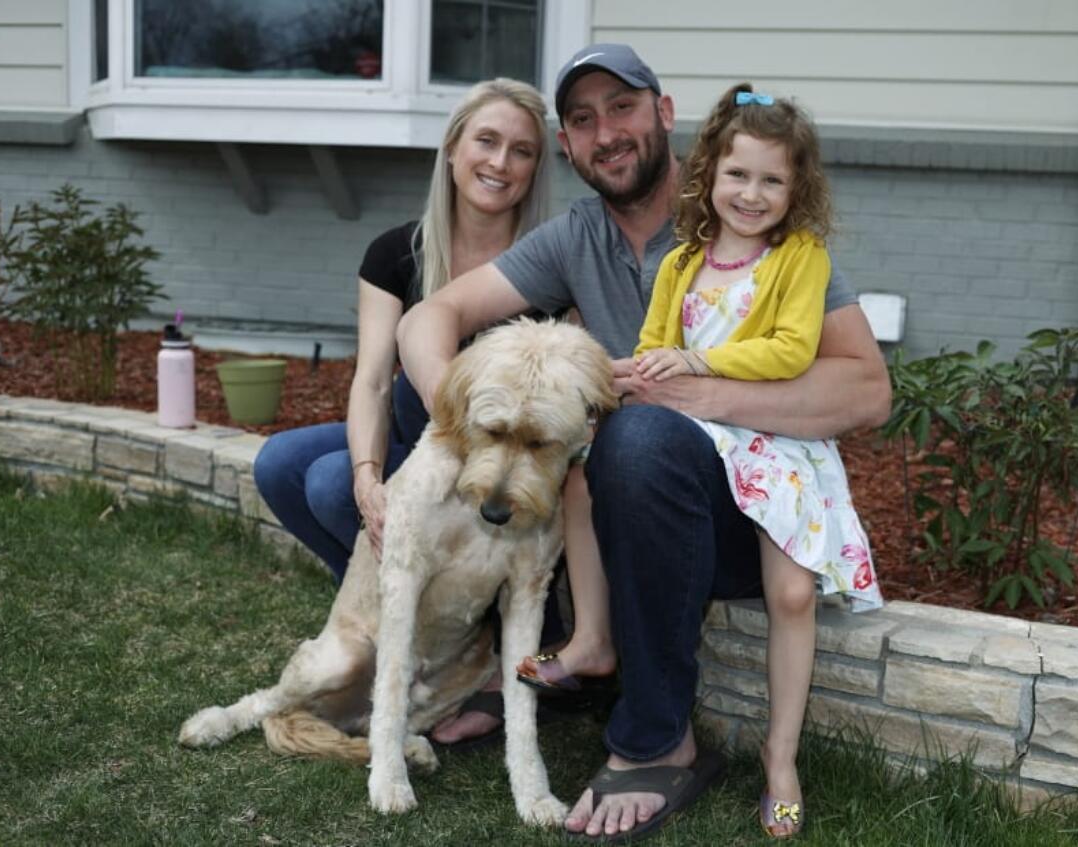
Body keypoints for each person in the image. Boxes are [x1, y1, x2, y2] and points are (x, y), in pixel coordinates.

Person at [398, 44, 891, 842]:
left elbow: (869, 390)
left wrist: (705, 389)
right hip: (636, 504)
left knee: (638, 439)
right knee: (457, 405)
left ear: (665, 116)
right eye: (583, 120)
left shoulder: (778, 245)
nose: (607, 133)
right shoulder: (583, 238)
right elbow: (428, 317)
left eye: (622, 108)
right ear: (568, 145)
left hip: (744, 507)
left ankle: (662, 739)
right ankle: (475, 659)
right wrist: (457, 420)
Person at [519, 82, 883, 838]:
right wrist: (629, 371)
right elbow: (656, 347)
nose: (752, 194)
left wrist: (697, 363)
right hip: (703, 448)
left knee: (790, 596)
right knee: (597, 459)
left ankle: (780, 761)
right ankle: (596, 638)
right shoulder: (683, 261)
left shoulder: (802, 259)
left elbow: (789, 350)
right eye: (737, 175)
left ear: (798, 188)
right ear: (708, 174)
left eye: (773, 179)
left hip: (776, 450)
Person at [252, 78, 549, 583]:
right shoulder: (395, 253)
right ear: (453, 147)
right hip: (413, 438)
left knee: (327, 483)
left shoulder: (546, 263)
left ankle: (446, 612)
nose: (500, 163)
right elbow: (371, 381)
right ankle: (375, 599)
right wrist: (368, 480)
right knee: (279, 464)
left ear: (534, 169)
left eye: (521, 151)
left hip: (497, 462)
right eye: (486, 141)